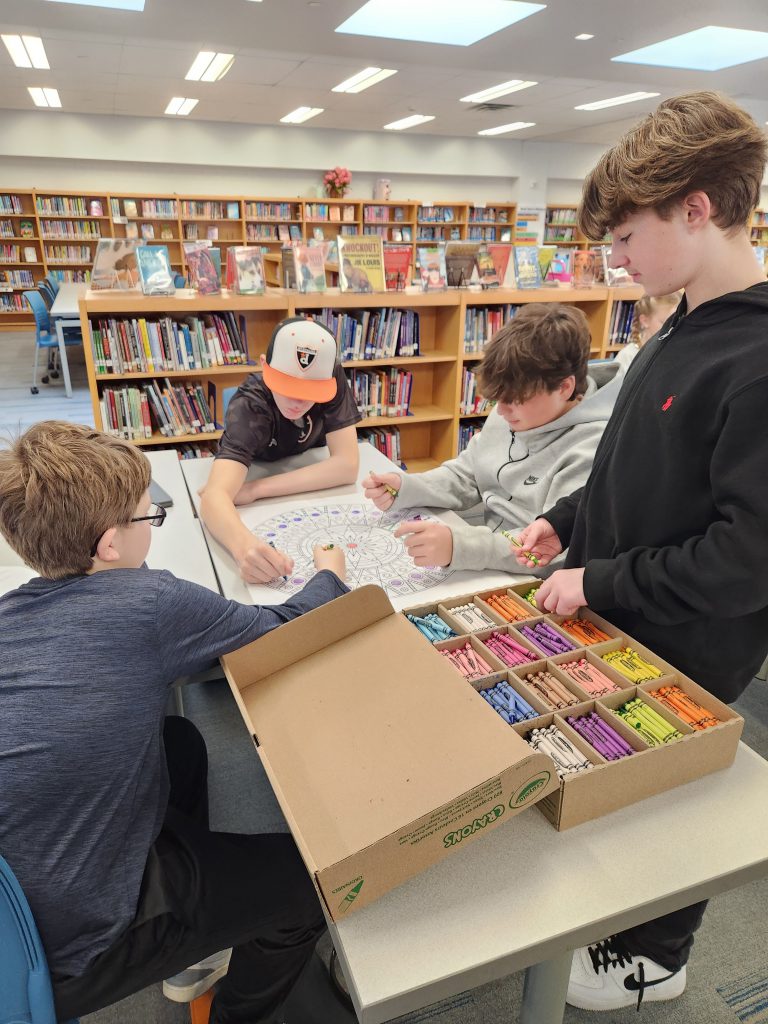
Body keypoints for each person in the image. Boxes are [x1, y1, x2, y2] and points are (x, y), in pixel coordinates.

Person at [512, 91, 768, 1012]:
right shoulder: (680, 321)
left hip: (693, 639)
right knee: (620, 781)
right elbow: (640, 462)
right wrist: (574, 519)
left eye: (624, 237)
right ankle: (622, 918)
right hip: (622, 605)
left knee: (673, 795)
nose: (611, 259)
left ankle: (657, 956)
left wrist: (602, 576)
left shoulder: (759, 358)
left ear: (695, 208)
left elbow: (747, 561)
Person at [0, 420, 349, 1024]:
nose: (152, 530)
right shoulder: (150, 603)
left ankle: (189, 931)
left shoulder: (12, 613)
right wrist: (333, 575)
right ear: (109, 544)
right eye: (147, 518)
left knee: (179, 740)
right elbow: (290, 626)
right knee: (314, 884)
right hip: (69, 948)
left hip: (24, 892)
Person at [362, 303, 620, 571]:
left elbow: (550, 551)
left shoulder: (592, 447)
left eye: (517, 400)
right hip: (489, 558)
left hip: (530, 581)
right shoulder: (513, 411)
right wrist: (406, 487)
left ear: (564, 388)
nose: (501, 411)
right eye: (499, 399)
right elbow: (467, 475)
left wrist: (461, 547)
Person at [200, 316, 361, 584]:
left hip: (300, 464)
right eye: (288, 386)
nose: (298, 402)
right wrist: (244, 548)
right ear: (265, 367)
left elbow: (347, 466)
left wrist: (256, 489)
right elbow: (213, 496)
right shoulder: (250, 405)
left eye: (311, 391)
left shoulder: (331, 377)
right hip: (260, 462)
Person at [614, 291, 682, 373]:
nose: (673, 329)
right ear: (645, 321)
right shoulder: (628, 357)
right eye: (666, 323)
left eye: (677, 323)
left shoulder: (676, 353)